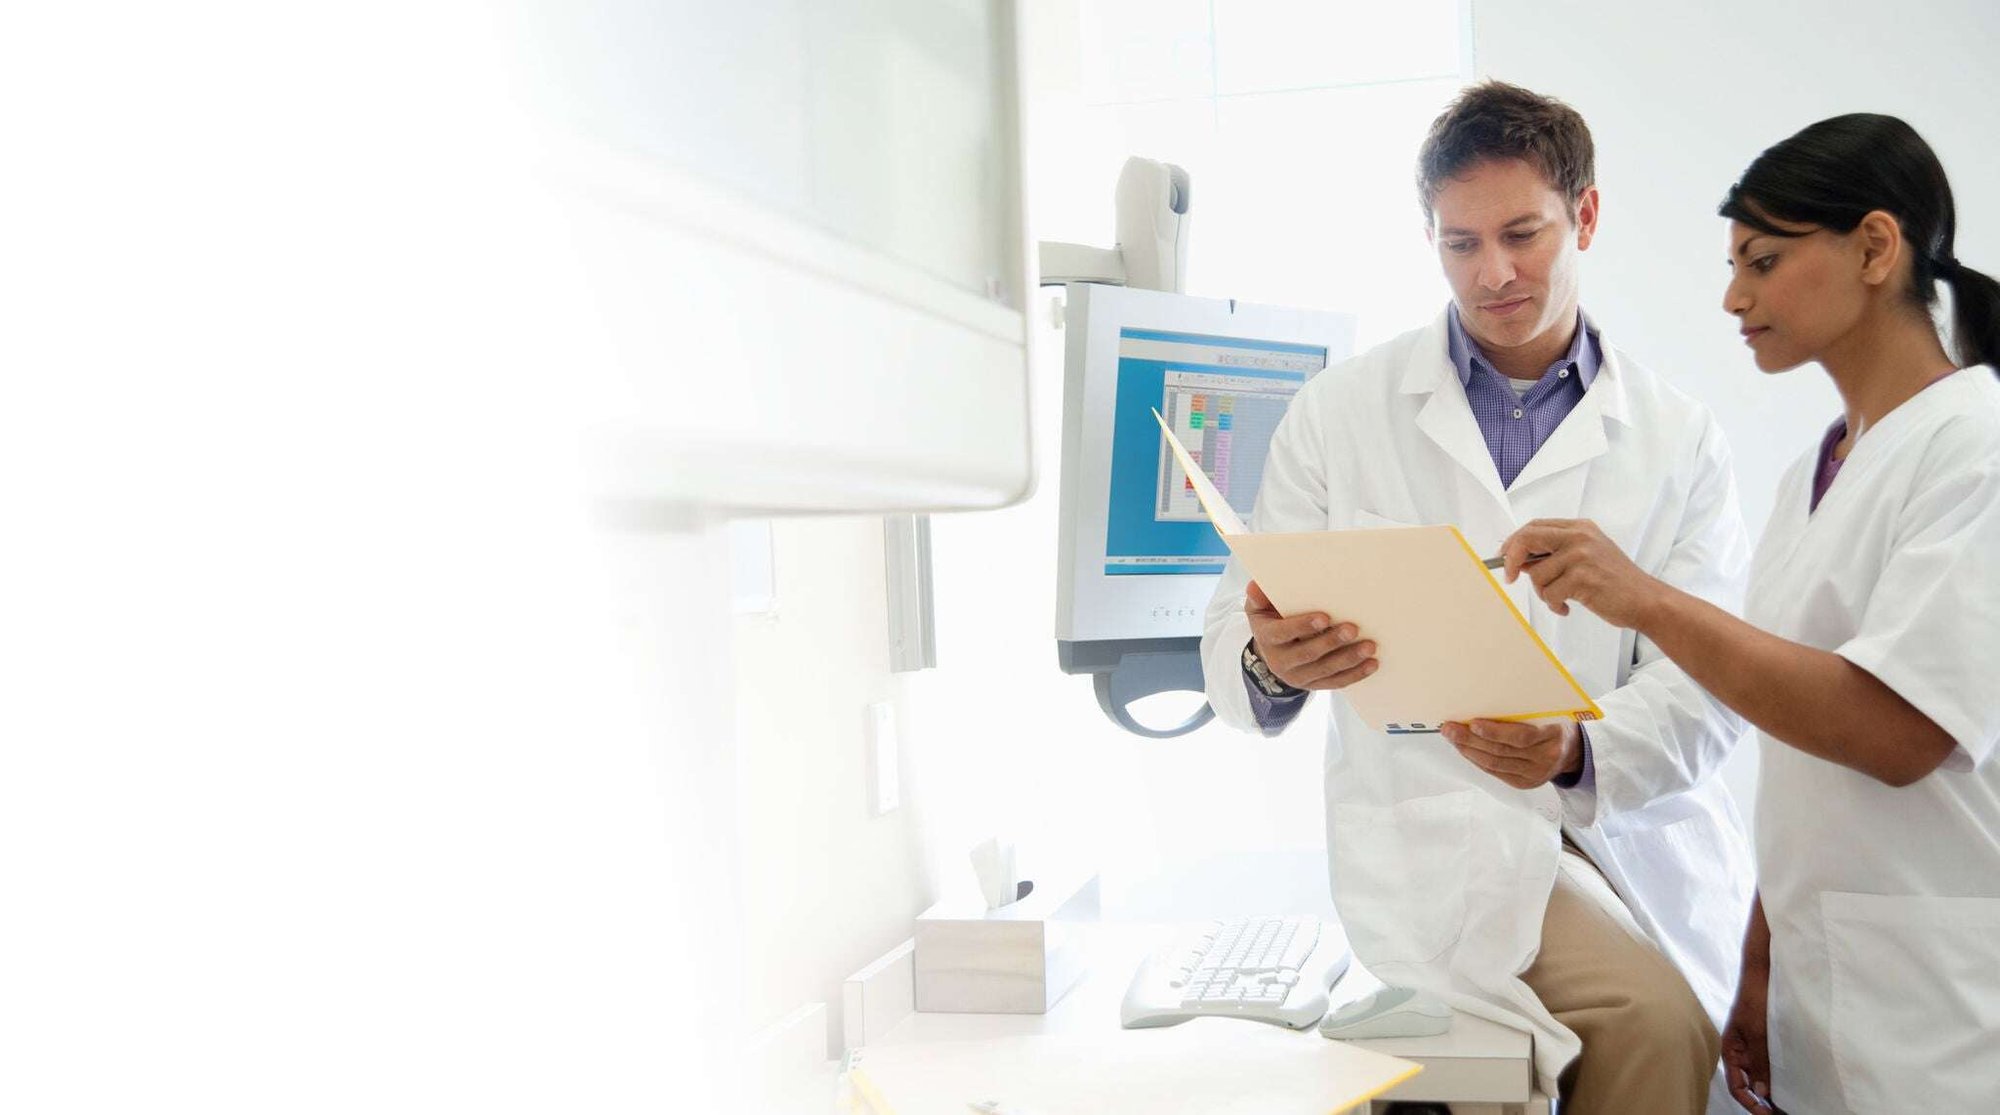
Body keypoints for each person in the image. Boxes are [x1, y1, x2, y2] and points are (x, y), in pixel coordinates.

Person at [1201, 81, 1754, 1114]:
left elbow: (1702, 682)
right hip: (1431, 828)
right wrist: (1271, 662)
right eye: (1459, 244)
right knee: (1626, 1025)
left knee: (1658, 1019)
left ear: (1583, 215)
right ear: (1428, 238)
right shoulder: (1340, 414)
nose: (1492, 272)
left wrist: (1570, 749)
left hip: (1618, 827)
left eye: (1521, 233)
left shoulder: (1678, 439)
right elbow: (1237, 625)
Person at [1497, 113, 2000, 1114]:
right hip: (1824, 974)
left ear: (1871, 247)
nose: (1734, 296)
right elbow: (1793, 730)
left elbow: (1895, 731)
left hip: (1941, 1001)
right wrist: (1757, 952)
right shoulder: (1813, 472)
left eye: (1762, 262)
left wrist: (1639, 595)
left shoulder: (1973, 448)